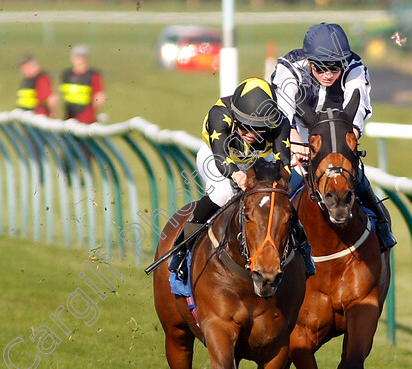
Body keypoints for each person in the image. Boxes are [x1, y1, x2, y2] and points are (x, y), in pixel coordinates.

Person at [167, 77, 314, 281]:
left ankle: (304, 251)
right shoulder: (218, 115)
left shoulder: (279, 121)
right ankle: (182, 248)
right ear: (236, 117)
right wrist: (239, 176)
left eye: (259, 128)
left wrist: (279, 186)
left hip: (260, 160)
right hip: (219, 157)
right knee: (223, 193)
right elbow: (221, 157)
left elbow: (283, 164)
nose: (251, 133)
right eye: (245, 126)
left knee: (278, 201)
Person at [270, 22, 395, 251]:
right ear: (309, 61)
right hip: (297, 133)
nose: (328, 74)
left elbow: (358, 110)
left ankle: (380, 224)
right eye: (320, 68)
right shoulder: (289, 68)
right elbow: (283, 112)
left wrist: (349, 139)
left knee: (351, 176)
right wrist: (295, 141)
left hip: (338, 133)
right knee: (278, 186)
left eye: (335, 68)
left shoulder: (355, 67)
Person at [60, 45, 105, 123]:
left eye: (81, 56)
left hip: (86, 120)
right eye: (76, 56)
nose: (78, 59)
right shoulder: (66, 75)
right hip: (69, 119)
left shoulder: (93, 75)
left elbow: (99, 97)